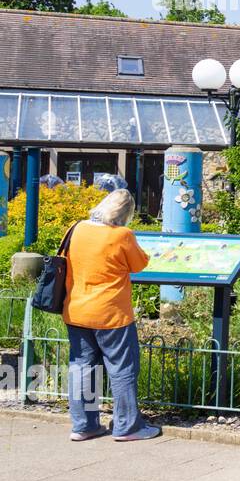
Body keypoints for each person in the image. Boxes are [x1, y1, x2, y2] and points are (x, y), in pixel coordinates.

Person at [63, 189, 159, 442]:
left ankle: (84, 425)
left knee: (82, 367)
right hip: (111, 313)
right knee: (122, 368)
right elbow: (139, 264)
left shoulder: (77, 228)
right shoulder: (122, 235)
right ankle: (128, 427)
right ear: (127, 213)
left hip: (77, 309)